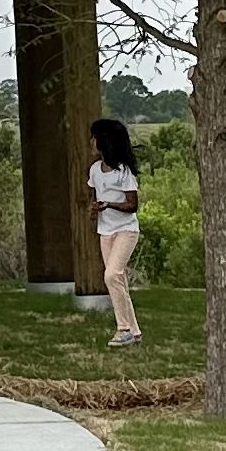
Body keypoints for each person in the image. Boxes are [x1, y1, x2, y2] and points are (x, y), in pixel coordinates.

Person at [86, 118, 145, 348]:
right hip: (106, 232)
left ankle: (122, 329)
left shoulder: (124, 172)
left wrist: (109, 204)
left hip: (126, 231)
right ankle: (135, 331)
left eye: (95, 137)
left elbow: (132, 205)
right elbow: (94, 199)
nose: (91, 142)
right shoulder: (94, 170)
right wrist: (94, 211)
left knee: (111, 275)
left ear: (105, 141)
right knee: (118, 280)